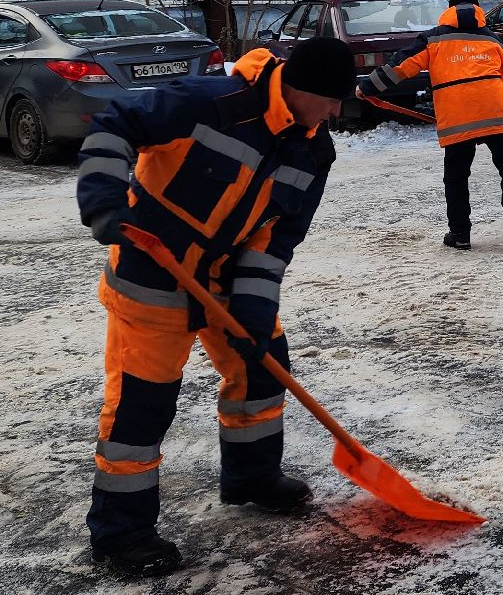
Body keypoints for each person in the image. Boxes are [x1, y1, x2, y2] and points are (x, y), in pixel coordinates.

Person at [75, 36, 354, 577]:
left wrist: (252, 305)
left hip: (226, 280)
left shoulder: (314, 148)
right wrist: (106, 203)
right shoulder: (212, 103)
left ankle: (252, 478)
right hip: (152, 273)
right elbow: (114, 123)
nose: (337, 112)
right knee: (141, 406)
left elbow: (277, 237)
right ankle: (120, 533)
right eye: (332, 99)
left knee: (263, 368)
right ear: (302, 89)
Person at [360, 0, 503, 250]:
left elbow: (401, 65)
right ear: (477, 10)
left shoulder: (433, 38)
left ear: (449, 10)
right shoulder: (493, 40)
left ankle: (460, 235)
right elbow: (501, 76)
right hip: (494, 112)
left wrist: (368, 87)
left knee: (456, 176)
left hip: (457, 118)